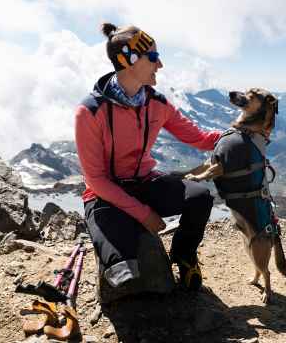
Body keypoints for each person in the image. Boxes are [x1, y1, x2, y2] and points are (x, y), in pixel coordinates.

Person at [75, 23, 221, 291]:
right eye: (153, 57)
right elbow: (95, 179)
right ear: (129, 61)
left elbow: (198, 138)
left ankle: (184, 255)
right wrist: (143, 215)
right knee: (122, 272)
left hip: (145, 183)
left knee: (200, 197)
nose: (160, 64)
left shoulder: (157, 103)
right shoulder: (90, 112)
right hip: (105, 195)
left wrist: (236, 136)